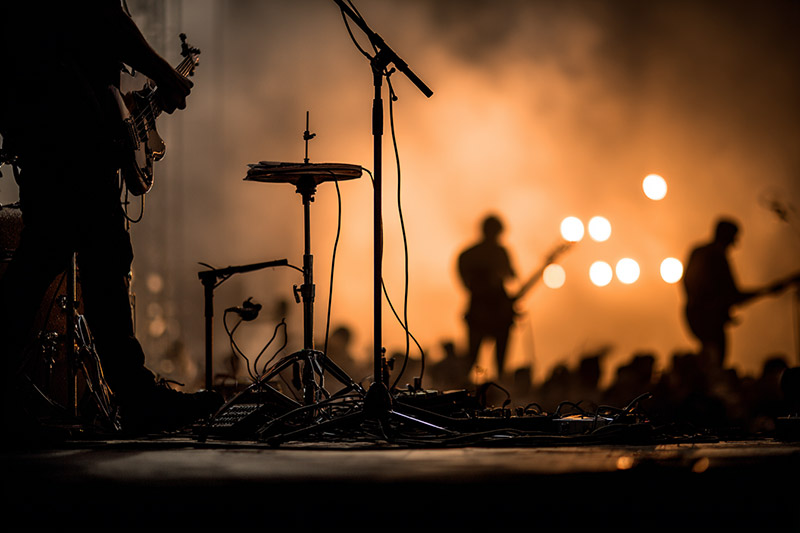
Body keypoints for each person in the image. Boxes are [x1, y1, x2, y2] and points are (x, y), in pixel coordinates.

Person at [0, 1, 221, 435]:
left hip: (56, 127)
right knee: (75, 261)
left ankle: (137, 396)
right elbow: (102, 15)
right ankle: (139, 399)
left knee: (81, 259)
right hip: (65, 132)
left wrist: (120, 103)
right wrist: (164, 73)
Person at [683, 218, 797, 371]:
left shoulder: (698, 251)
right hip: (710, 320)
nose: (735, 245)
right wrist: (766, 291)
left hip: (694, 315)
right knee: (715, 362)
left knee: (709, 357)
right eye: (733, 239)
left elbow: (688, 283)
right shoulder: (718, 257)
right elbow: (734, 295)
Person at [457, 214, 518, 380]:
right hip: (486, 312)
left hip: (489, 310)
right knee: (480, 358)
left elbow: (511, 275)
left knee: (480, 359)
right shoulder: (498, 252)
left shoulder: (469, 253)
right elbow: (512, 275)